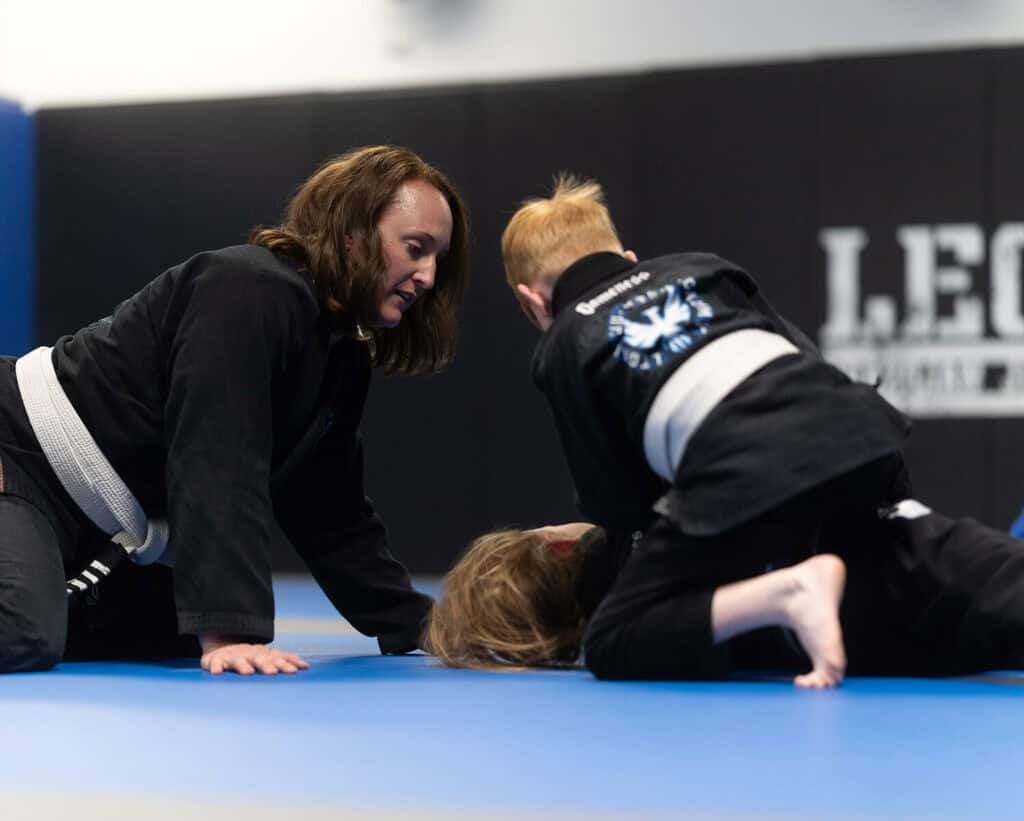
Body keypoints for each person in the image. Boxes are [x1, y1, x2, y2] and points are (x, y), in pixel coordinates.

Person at [426, 174, 1024, 685]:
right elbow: (802, 354)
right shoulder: (700, 268)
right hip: (859, 436)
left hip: (817, 551)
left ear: (535, 302)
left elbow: (614, 495)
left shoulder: (564, 344)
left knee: (612, 641)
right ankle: (802, 580)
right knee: (615, 638)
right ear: (630, 260)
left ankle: (796, 586)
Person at [0, 144, 470, 675]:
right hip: (14, 452)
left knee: (169, 629)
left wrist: (419, 624)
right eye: (415, 248)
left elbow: (328, 508)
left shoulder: (339, 355)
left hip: (78, 517)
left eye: (438, 258)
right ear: (351, 234)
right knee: (23, 629)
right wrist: (228, 632)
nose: (428, 276)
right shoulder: (247, 287)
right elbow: (216, 450)